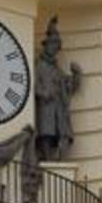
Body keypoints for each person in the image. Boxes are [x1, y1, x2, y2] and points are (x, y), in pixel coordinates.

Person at [34, 17, 81, 161]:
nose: (55, 48)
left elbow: (69, 86)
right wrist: (44, 93)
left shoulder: (57, 69)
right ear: (46, 46)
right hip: (46, 106)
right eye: (52, 44)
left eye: (57, 46)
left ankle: (62, 160)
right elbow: (34, 85)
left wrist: (76, 75)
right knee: (46, 133)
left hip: (59, 109)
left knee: (64, 133)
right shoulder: (39, 65)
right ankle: (47, 159)